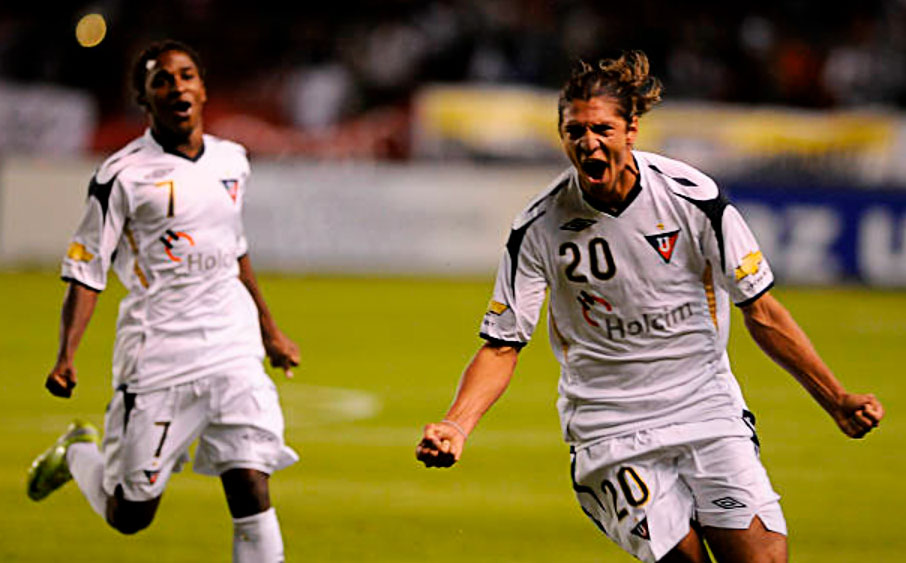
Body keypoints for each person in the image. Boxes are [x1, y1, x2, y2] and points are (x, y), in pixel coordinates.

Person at [416, 51, 884, 563]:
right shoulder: (539, 226)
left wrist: (835, 397)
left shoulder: (692, 198)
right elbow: (502, 344)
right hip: (609, 426)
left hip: (706, 408)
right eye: (574, 131)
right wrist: (457, 425)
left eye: (601, 129)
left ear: (631, 129)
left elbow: (762, 309)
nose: (588, 143)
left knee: (763, 558)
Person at [26, 40, 300, 563]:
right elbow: (87, 269)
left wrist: (270, 332)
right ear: (143, 98)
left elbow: (233, 248)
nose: (177, 87)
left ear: (202, 89)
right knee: (131, 514)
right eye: (162, 80)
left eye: (187, 75)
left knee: (250, 483)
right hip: (159, 354)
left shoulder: (232, 160)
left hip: (231, 347)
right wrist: (67, 354)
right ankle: (78, 454)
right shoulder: (121, 175)